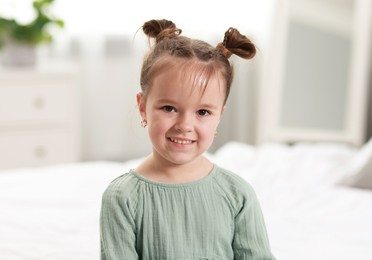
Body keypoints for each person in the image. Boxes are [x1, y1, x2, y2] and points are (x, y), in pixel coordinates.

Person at [100, 18, 275, 260]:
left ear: (219, 116)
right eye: (169, 108)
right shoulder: (123, 198)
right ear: (143, 107)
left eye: (203, 112)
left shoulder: (238, 195)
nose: (184, 126)